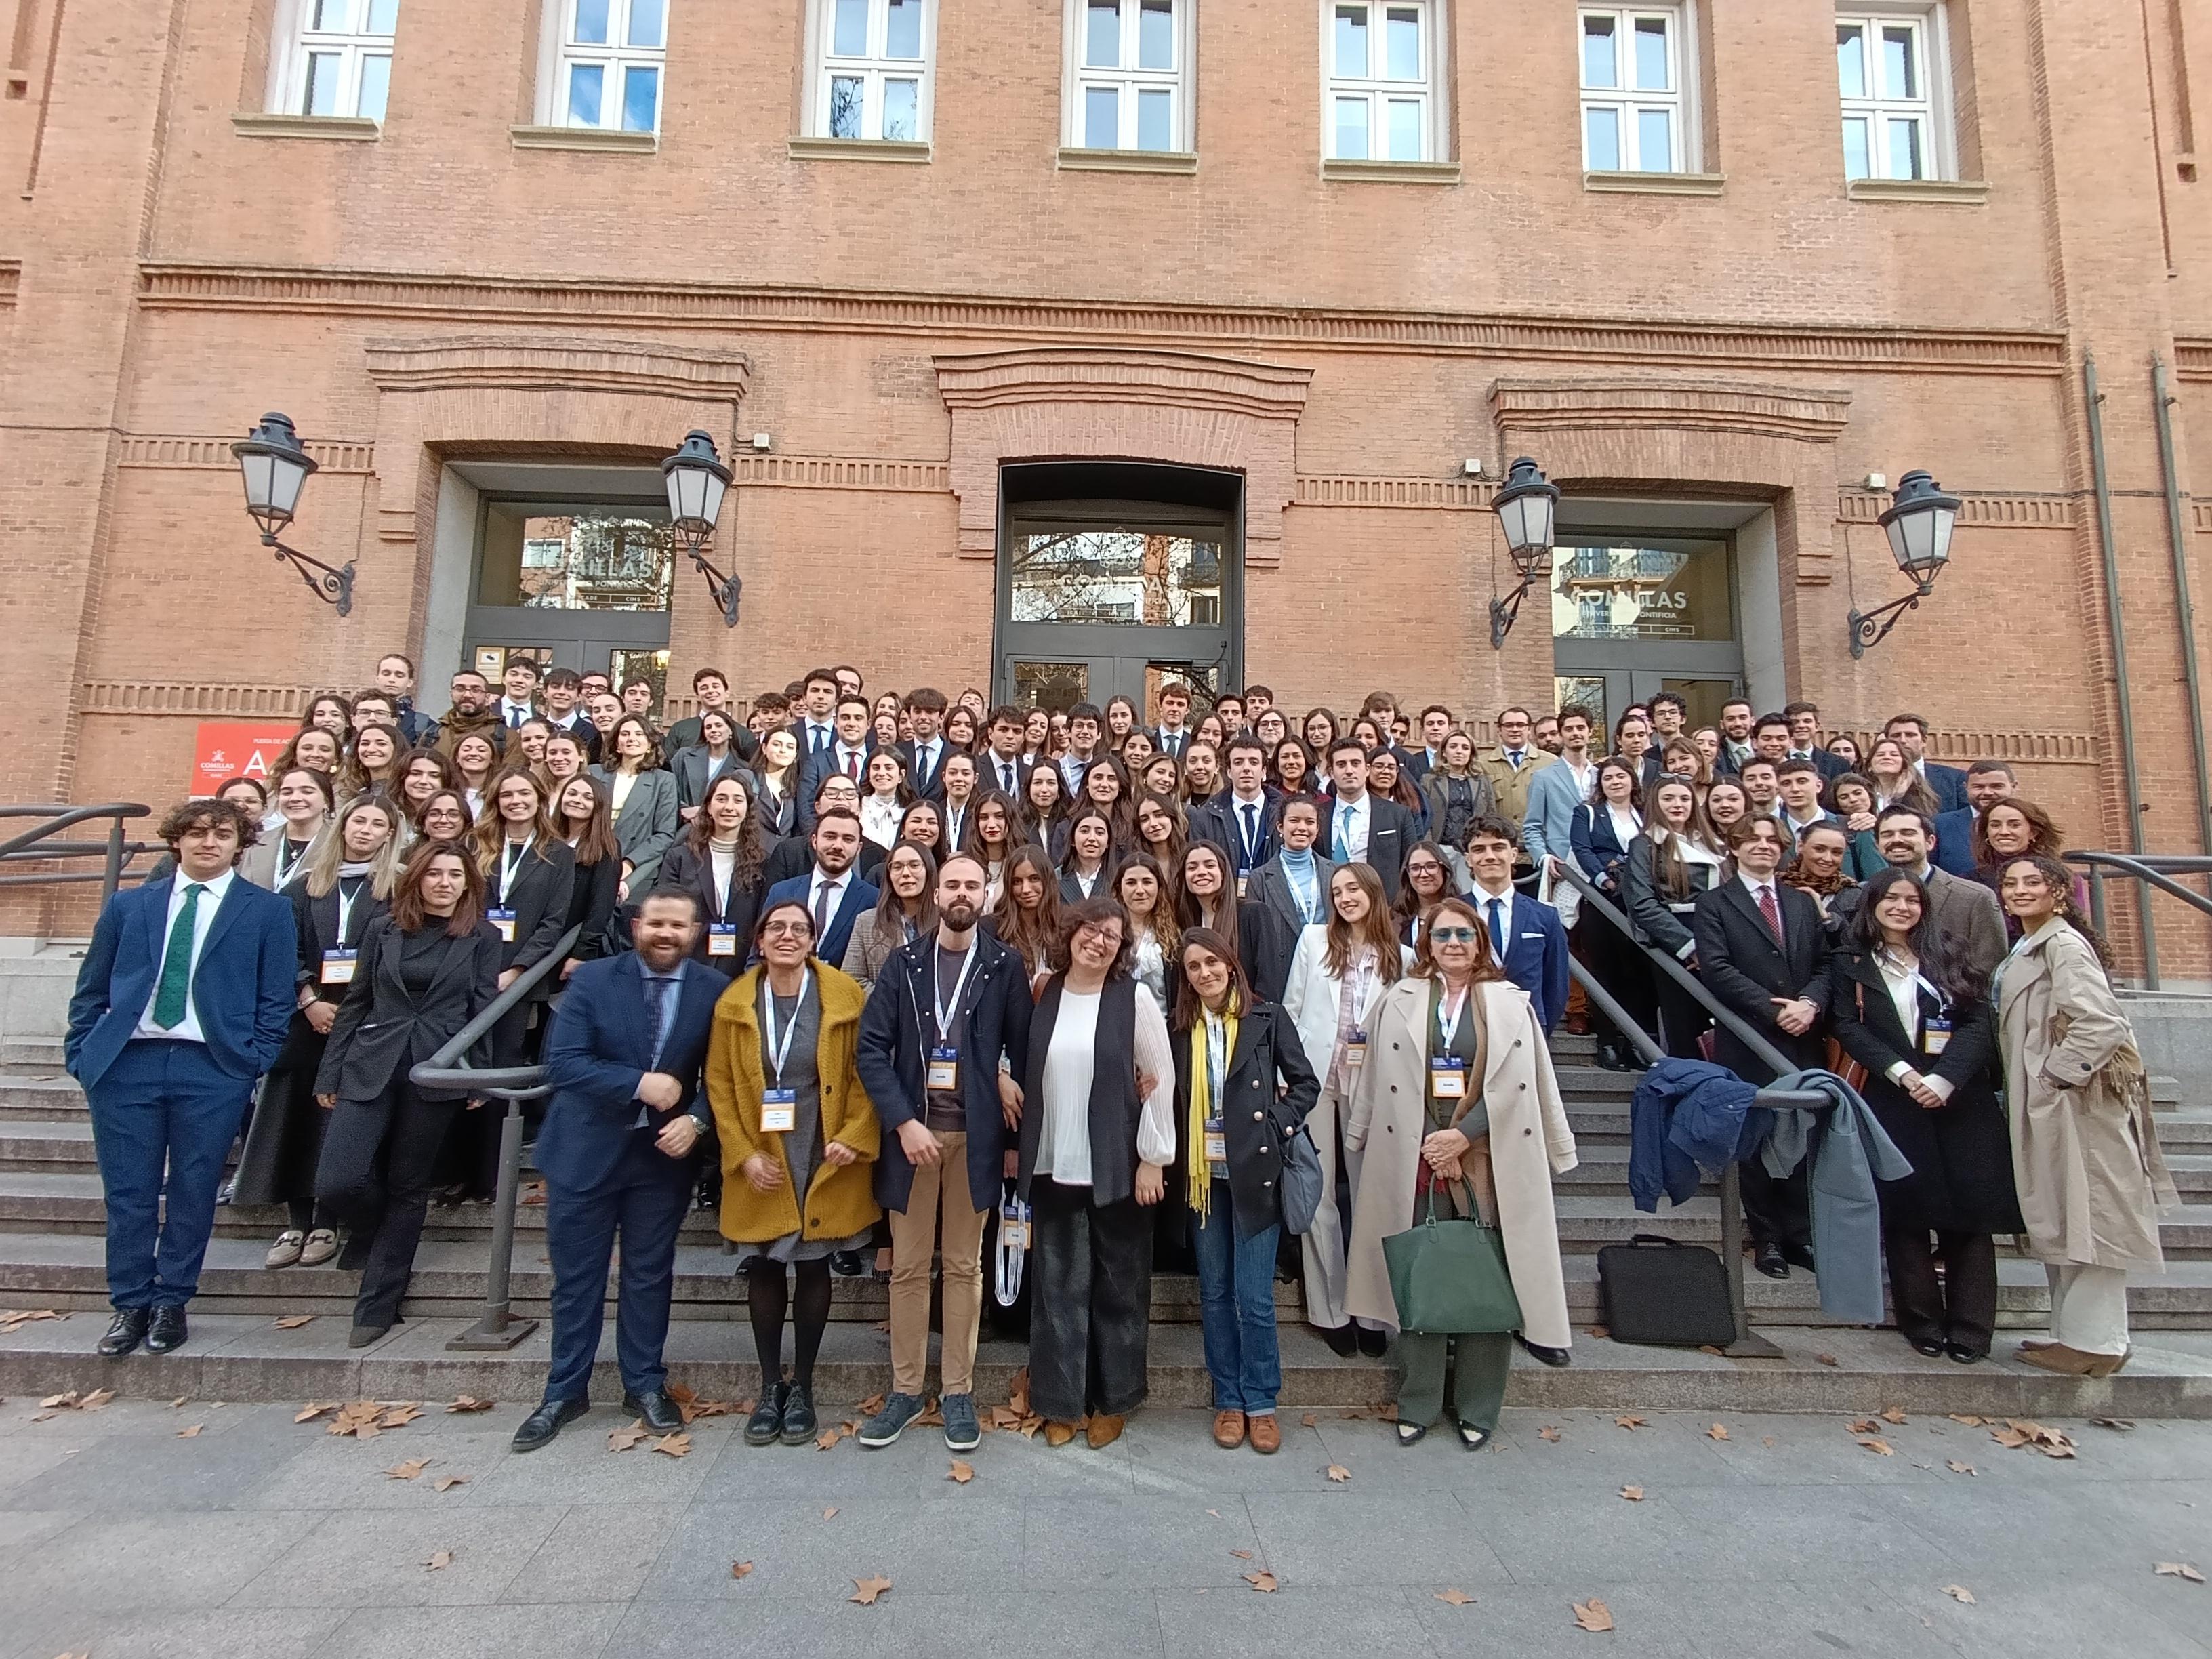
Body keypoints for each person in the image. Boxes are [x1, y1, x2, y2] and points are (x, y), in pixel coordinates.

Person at [1344, 895, 1578, 1448]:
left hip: (1486, 1154)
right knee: (1422, 1269)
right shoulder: (1398, 998)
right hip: (1414, 1152)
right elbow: (1378, 1074)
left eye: (1464, 935)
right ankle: (1419, 1401)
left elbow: (1524, 1081)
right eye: (1442, 935)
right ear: (1426, 943)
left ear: (1480, 943)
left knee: (1485, 1273)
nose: (1453, 945)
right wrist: (1428, 1138)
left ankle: (1478, 1404)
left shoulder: (1509, 1003)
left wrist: (1461, 1136)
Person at [68, 798, 297, 1357]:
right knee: (129, 1193)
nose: (207, 843)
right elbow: (93, 986)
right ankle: (129, 1303)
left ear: (240, 844)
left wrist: (253, 1059)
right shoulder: (129, 906)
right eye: (196, 833)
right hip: (127, 1064)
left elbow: (276, 995)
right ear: (177, 840)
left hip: (212, 1066)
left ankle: (172, 1300)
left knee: (195, 1188)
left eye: (221, 834)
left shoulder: (266, 912)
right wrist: (82, 1051)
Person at [514, 888, 729, 1450]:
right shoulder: (593, 980)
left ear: (695, 932)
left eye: (678, 925)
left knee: (649, 1274)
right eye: (656, 922)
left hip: (661, 1157)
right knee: (577, 1278)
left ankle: (644, 1383)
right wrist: (638, 1084)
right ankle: (564, 1390)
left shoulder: (713, 990)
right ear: (637, 926)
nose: (666, 933)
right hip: (585, 1152)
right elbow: (564, 1063)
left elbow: (725, 1075)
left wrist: (700, 1122)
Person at [854, 854, 1033, 1453]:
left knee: (963, 1267)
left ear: (987, 896)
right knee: (907, 1268)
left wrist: (1006, 1077)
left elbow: (1022, 1046)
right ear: (935, 894)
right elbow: (872, 1050)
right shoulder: (904, 964)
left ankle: (957, 1390)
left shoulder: (1004, 964)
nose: (961, 893)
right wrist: (903, 1122)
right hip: (914, 1139)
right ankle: (905, 1391)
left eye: (972, 885)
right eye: (951, 883)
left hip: (975, 1140)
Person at [313, 841, 503, 1345]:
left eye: (455, 875)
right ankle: (373, 1232)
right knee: (338, 1181)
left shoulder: (482, 936)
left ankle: (378, 1303)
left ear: (468, 884)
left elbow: (484, 1008)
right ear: (417, 878)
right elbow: (356, 1001)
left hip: (436, 1070)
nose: (444, 882)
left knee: (408, 1185)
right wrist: (328, 1073)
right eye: (435, 873)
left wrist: (477, 1075)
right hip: (371, 1063)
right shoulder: (383, 928)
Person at [1828, 868, 2020, 1364]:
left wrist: (1945, 1078)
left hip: (1960, 1097)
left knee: (1969, 1216)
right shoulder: (1851, 962)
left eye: (1912, 900)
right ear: (1872, 904)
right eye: (1891, 898)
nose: (1902, 907)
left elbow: (1979, 1022)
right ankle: (1922, 1323)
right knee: (1907, 1215)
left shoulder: (1949, 951)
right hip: (1895, 1097)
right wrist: (1902, 1073)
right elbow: (1849, 1027)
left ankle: (1973, 1330)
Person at [707, 899, 882, 1444]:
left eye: (800, 929)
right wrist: (742, 1154)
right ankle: (768, 1384)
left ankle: (802, 1384)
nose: (788, 936)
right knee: (763, 1267)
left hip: (820, 1144)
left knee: (812, 1266)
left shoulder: (843, 995)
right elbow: (719, 1085)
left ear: (813, 939)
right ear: (759, 939)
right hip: (761, 1149)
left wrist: (854, 1135)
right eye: (777, 928)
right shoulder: (734, 1002)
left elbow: (864, 1072)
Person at [1993, 855, 2175, 1377]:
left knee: (2089, 1216)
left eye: (2034, 882)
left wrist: (2054, 1077)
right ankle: (2076, 1336)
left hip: (2078, 1107)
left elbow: (2101, 1022)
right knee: (2065, 1215)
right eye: (2011, 883)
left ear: (2059, 892)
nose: (2020, 890)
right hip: (2051, 1103)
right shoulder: (2032, 943)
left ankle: (2097, 1344)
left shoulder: (2065, 945)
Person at [1017, 897, 1177, 1448]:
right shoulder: (1043, 991)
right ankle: (1061, 1403)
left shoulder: (1134, 1000)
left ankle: (1116, 1399)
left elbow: (1160, 1078)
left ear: (1121, 948)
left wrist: (1154, 1157)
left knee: (1120, 1289)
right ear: (1071, 934)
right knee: (1057, 1288)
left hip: (1117, 1165)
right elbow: (1011, 1053)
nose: (1100, 941)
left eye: (1113, 935)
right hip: (1052, 1161)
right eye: (1091, 929)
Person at [236, 793, 405, 1268]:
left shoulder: (396, 890)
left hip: (366, 1022)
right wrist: (308, 1000)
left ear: (390, 834)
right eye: (358, 821)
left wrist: (352, 1010)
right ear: (342, 827)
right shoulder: (303, 888)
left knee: (338, 1121)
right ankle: (297, 1222)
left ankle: (328, 1223)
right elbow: (279, 951)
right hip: (305, 1019)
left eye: (377, 824)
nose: (365, 830)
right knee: (295, 1119)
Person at [1168, 928, 1320, 1453]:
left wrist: (1274, 1126)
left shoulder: (1267, 1018)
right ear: (1186, 977)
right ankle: (1228, 1400)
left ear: (1231, 965)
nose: (1205, 973)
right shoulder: (1179, 1028)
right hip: (1203, 1177)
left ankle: (1262, 1402)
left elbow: (1306, 1085)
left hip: (1255, 1172)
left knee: (1254, 1297)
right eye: (1194, 967)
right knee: (1214, 1293)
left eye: (1213, 963)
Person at [1692, 816, 1829, 1277]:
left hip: (1803, 1035)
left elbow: (1827, 965)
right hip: (1750, 1036)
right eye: (1753, 839)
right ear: (1735, 847)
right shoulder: (1714, 903)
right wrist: (1775, 1010)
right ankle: (1766, 1237)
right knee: (1754, 1137)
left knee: (1802, 1133)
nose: (1764, 847)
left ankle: (1801, 1235)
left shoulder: (1802, 903)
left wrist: (1809, 1003)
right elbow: (1717, 968)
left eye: (1774, 841)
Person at [1280, 863, 1408, 1357]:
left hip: (1373, 1087)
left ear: (1374, 891)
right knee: (1319, 1196)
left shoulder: (1402, 953)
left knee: (1371, 1196)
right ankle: (1330, 1310)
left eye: (1353, 888)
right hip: (1315, 1081)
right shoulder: (1314, 941)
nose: (1345, 897)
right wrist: (1285, 1074)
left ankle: (1373, 1312)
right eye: (1337, 891)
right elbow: (1291, 1010)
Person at [1835, 806, 2009, 981]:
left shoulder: (1975, 898)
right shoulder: (1863, 894)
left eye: (1908, 833)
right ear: (1878, 845)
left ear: (1930, 842)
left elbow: (1990, 968)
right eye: (1888, 835)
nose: (1897, 840)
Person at [1622, 775, 1723, 1057]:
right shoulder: (1644, 844)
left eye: (1684, 798)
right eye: (1668, 798)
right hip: (1677, 939)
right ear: (1656, 803)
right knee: (1685, 1023)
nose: (1677, 805)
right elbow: (1642, 903)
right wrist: (1690, 947)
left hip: (1719, 936)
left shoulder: (1713, 842)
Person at [1570, 758, 1652, 1073]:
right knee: (1605, 974)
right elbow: (1583, 850)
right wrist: (1603, 878)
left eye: (1621, 776)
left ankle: (1633, 1044)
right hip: (1603, 902)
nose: (1615, 782)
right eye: (1608, 778)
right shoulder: (1587, 813)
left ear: (1633, 780)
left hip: (1641, 903)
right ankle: (1607, 1044)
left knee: (1636, 976)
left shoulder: (1646, 816)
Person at [1462, 817, 1570, 1034]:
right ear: (1468, 859)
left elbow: (1556, 985)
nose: (1489, 856)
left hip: (1527, 1028)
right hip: (1467, 1028)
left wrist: (1539, 1029)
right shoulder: (1450, 913)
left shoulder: (1545, 916)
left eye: (1498, 847)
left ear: (1513, 855)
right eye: (1479, 849)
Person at [658, 774, 769, 968]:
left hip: (741, 965)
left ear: (747, 809)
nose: (729, 807)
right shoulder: (680, 857)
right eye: (721, 799)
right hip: (690, 962)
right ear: (709, 808)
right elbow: (666, 912)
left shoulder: (763, 862)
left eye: (738, 800)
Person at [757, 806, 878, 968]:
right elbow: (758, 954)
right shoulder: (781, 892)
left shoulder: (873, 900)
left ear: (859, 848)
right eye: (830, 836)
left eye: (848, 839)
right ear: (814, 841)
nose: (838, 845)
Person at [591, 714, 681, 901]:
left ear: (650, 744)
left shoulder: (663, 780)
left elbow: (664, 834)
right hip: (592, 861)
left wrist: (629, 864)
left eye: (639, 734)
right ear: (617, 744)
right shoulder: (594, 773)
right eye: (625, 734)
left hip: (636, 870)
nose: (631, 738)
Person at [1316, 737, 1416, 901]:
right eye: (1341, 765)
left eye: (1355, 764)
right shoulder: (1319, 815)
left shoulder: (1398, 814)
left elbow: (1410, 864)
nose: (1349, 770)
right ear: (1332, 773)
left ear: (1367, 769)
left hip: (1383, 907)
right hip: (1332, 904)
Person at [1474, 708, 1556, 881]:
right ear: (1499, 730)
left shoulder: (1550, 763)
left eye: (1520, 725)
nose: (1515, 729)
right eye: (1509, 725)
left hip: (1539, 854)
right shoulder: (1481, 765)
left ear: (1529, 729)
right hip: (1497, 855)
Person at [842, 842, 937, 991]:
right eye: (897, 867)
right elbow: (851, 979)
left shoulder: (945, 921)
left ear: (929, 871)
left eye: (914, 865)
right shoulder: (866, 922)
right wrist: (890, 1004)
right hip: (883, 1011)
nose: (905, 873)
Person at [552, 775, 621, 975]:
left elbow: (601, 905)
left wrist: (582, 953)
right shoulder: (545, 840)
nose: (577, 800)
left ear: (599, 805)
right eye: (571, 793)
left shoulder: (607, 847)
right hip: (542, 940)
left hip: (571, 947)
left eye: (587, 797)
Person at [1519, 705, 1595, 881]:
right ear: (1561, 734)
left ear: (1590, 731)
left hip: (1599, 866)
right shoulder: (1543, 777)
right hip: (1562, 867)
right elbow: (1532, 826)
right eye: (1569, 729)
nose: (1575, 733)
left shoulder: (1601, 776)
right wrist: (1543, 857)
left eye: (1581, 728)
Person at [1244, 794, 1334, 936]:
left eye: (1309, 822)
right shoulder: (1259, 879)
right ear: (1280, 827)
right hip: (1282, 956)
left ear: (1317, 829)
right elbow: (1255, 933)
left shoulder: (1334, 872)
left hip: (1326, 954)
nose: (1302, 828)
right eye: (1294, 821)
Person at [241, 766, 333, 890]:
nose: (295, 798)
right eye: (287, 792)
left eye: (307, 792)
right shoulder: (253, 842)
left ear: (326, 801)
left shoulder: (341, 844)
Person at [985, 844, 1061, 989]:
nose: (1026, 889)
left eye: (1034, 879)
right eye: (1017, 882)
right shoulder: (991, 929)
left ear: (1047, 879)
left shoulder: (1066, 927)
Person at [1933, 760, 2019, 878]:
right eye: (1978, 787)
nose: (1987, 792)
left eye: (1996, 786)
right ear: (1965, 788)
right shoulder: (1940, 824)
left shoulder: (2028, 822)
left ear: (2013, 787)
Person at [1116, 853, 1178, 1006]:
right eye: (1131, 883)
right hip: (1117, 1026)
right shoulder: (1108, 933)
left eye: (1147, 882)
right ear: (1119, 888)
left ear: (1159, 886)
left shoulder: (1174, 936)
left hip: (1161, 1025)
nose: (1140, 890)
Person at [671, 707, 751, 823]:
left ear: (730, 731)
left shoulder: (742, 768)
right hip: (683, 822)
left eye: (718, 725)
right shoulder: (683, 756)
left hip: (719, 827)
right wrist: (684, 808)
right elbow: (668, 790)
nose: (713, 730)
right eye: (708, 727)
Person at [1885, 712, 1970, 813]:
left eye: (1910, 735)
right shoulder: (1871, 780)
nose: (1903, 740)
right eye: (1896, 735)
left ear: (1924, 741)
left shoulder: (1955, 778)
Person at [1783, 820, 1857, 928]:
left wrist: (1827, 918)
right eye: (1819, 849)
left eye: (1836, 852)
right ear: (1800, 846)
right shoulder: (1778, 887)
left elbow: (1856, 942)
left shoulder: (1853, 895)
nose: (1828, 859)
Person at [1392, 842, 1456, 949]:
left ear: (1444, 869)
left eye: (1431, 866)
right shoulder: (1395, 918)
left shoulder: (1463, 912)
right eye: (1415, 868)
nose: (1423, 874)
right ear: (1407, 873)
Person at [433, 669, 506, 760]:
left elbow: (510, 773)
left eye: (476, 690)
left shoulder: (505, 736)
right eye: (460, 689)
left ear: (487, 698)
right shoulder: (432, 735)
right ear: (451, 694)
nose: (467, 695)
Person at [1828, 772, 1886, 880]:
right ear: (1838, 805)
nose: (1853, 800)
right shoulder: (1837, 829)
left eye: (1858, 793)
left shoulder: (1889, 821)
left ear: (1871, 795)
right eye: (1844, 797)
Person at [1865, 737, 1940, 819]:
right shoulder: (1861, 793)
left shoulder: (1919, 797)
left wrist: (1899, 797)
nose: (1887, 757)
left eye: (1894, 754)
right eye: (1880, 755)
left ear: (1904, 764)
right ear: (1870, 767)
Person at [859, 749, 916, 849]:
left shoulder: (911, 810)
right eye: (876, 768)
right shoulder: (859, 806)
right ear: (869, 774)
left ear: (901, 775)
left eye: (889, 768)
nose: (881, 773)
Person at [1058, 805, 1115, 903]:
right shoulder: (1056, 878)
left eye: (1099, 833)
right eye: (1085, 831)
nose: (1092, 838)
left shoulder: (1118, 880)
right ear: (1072, 839)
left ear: (1108, 842)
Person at [753, 726, 802, 839]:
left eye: (790, 747)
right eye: (776, 745)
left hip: (783, 854)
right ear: (764, 748)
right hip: (751, 851)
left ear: (795, 755)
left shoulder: (796, 788)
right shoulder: (748, 778)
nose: (783, 750)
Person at [1019, 758, 1071, 862]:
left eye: (1051, 783)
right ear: (1028, 788)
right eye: (1038, 783)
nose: (1044, 790)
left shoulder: (1069, 822)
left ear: (1059, 789)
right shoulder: (1017, 822)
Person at [1782, 700, 1849, 781]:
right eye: (1794, 722)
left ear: (1817, 726)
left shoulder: (1838, 763)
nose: (1801, 726)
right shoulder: (1774, 759)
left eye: (1807, 721)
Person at [1775, 758, 1839, 841]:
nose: (1795, 789)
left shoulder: (1849, 827)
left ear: (1818, 786)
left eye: (1802, 782)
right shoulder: (1772, 830)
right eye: (1786, 783)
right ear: (1779, 791)